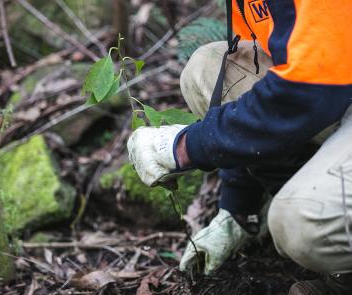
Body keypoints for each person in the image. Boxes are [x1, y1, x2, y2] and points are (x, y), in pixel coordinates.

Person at [127, 0, 352, 294]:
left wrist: (184, 146)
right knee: (208, 66)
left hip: (325, 89)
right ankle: (307, 204)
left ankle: (327, 245)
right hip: (337, 90)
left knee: (302, 223)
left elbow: (307, 91)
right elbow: (273, 77)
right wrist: (238, 209)